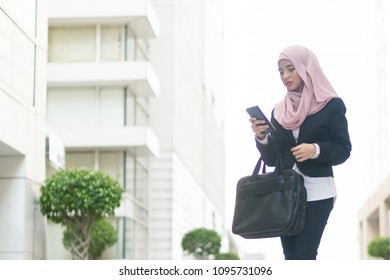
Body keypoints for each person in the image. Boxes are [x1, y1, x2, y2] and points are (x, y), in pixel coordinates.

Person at [250, 45, 351, 260]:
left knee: (305, 254)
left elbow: (344, 149)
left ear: (306, 68)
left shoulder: (331, 105)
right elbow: (271, 158)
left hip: (319, 191)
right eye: (280, 71)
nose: (285, 76)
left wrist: (315, 149)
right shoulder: (278, 111)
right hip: (286, 192)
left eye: (290, 69)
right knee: (290, 256)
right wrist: (262, 138)